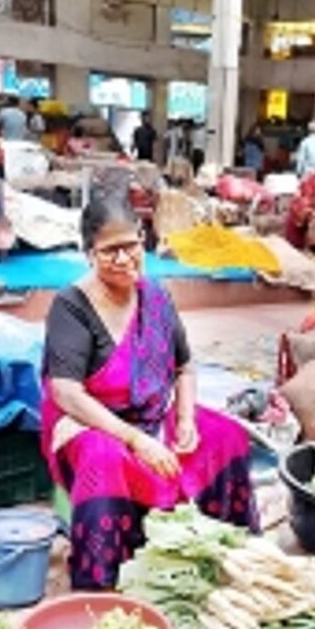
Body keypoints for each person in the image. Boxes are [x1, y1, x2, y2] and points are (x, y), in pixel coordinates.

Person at [41, 195, 259, 589]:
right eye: (110, 251)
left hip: (153, 421)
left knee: (226, 436)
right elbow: (67, 393)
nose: (124, 259)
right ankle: (104, 579)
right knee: (103, 459)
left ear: (144, 240)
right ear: (89, 253)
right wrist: (137, 440)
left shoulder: (156, 297)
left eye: (131, 245)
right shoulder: (70, 307)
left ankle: (227, 552)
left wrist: (187, 418)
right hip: (92, 426)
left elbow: (184, 366)